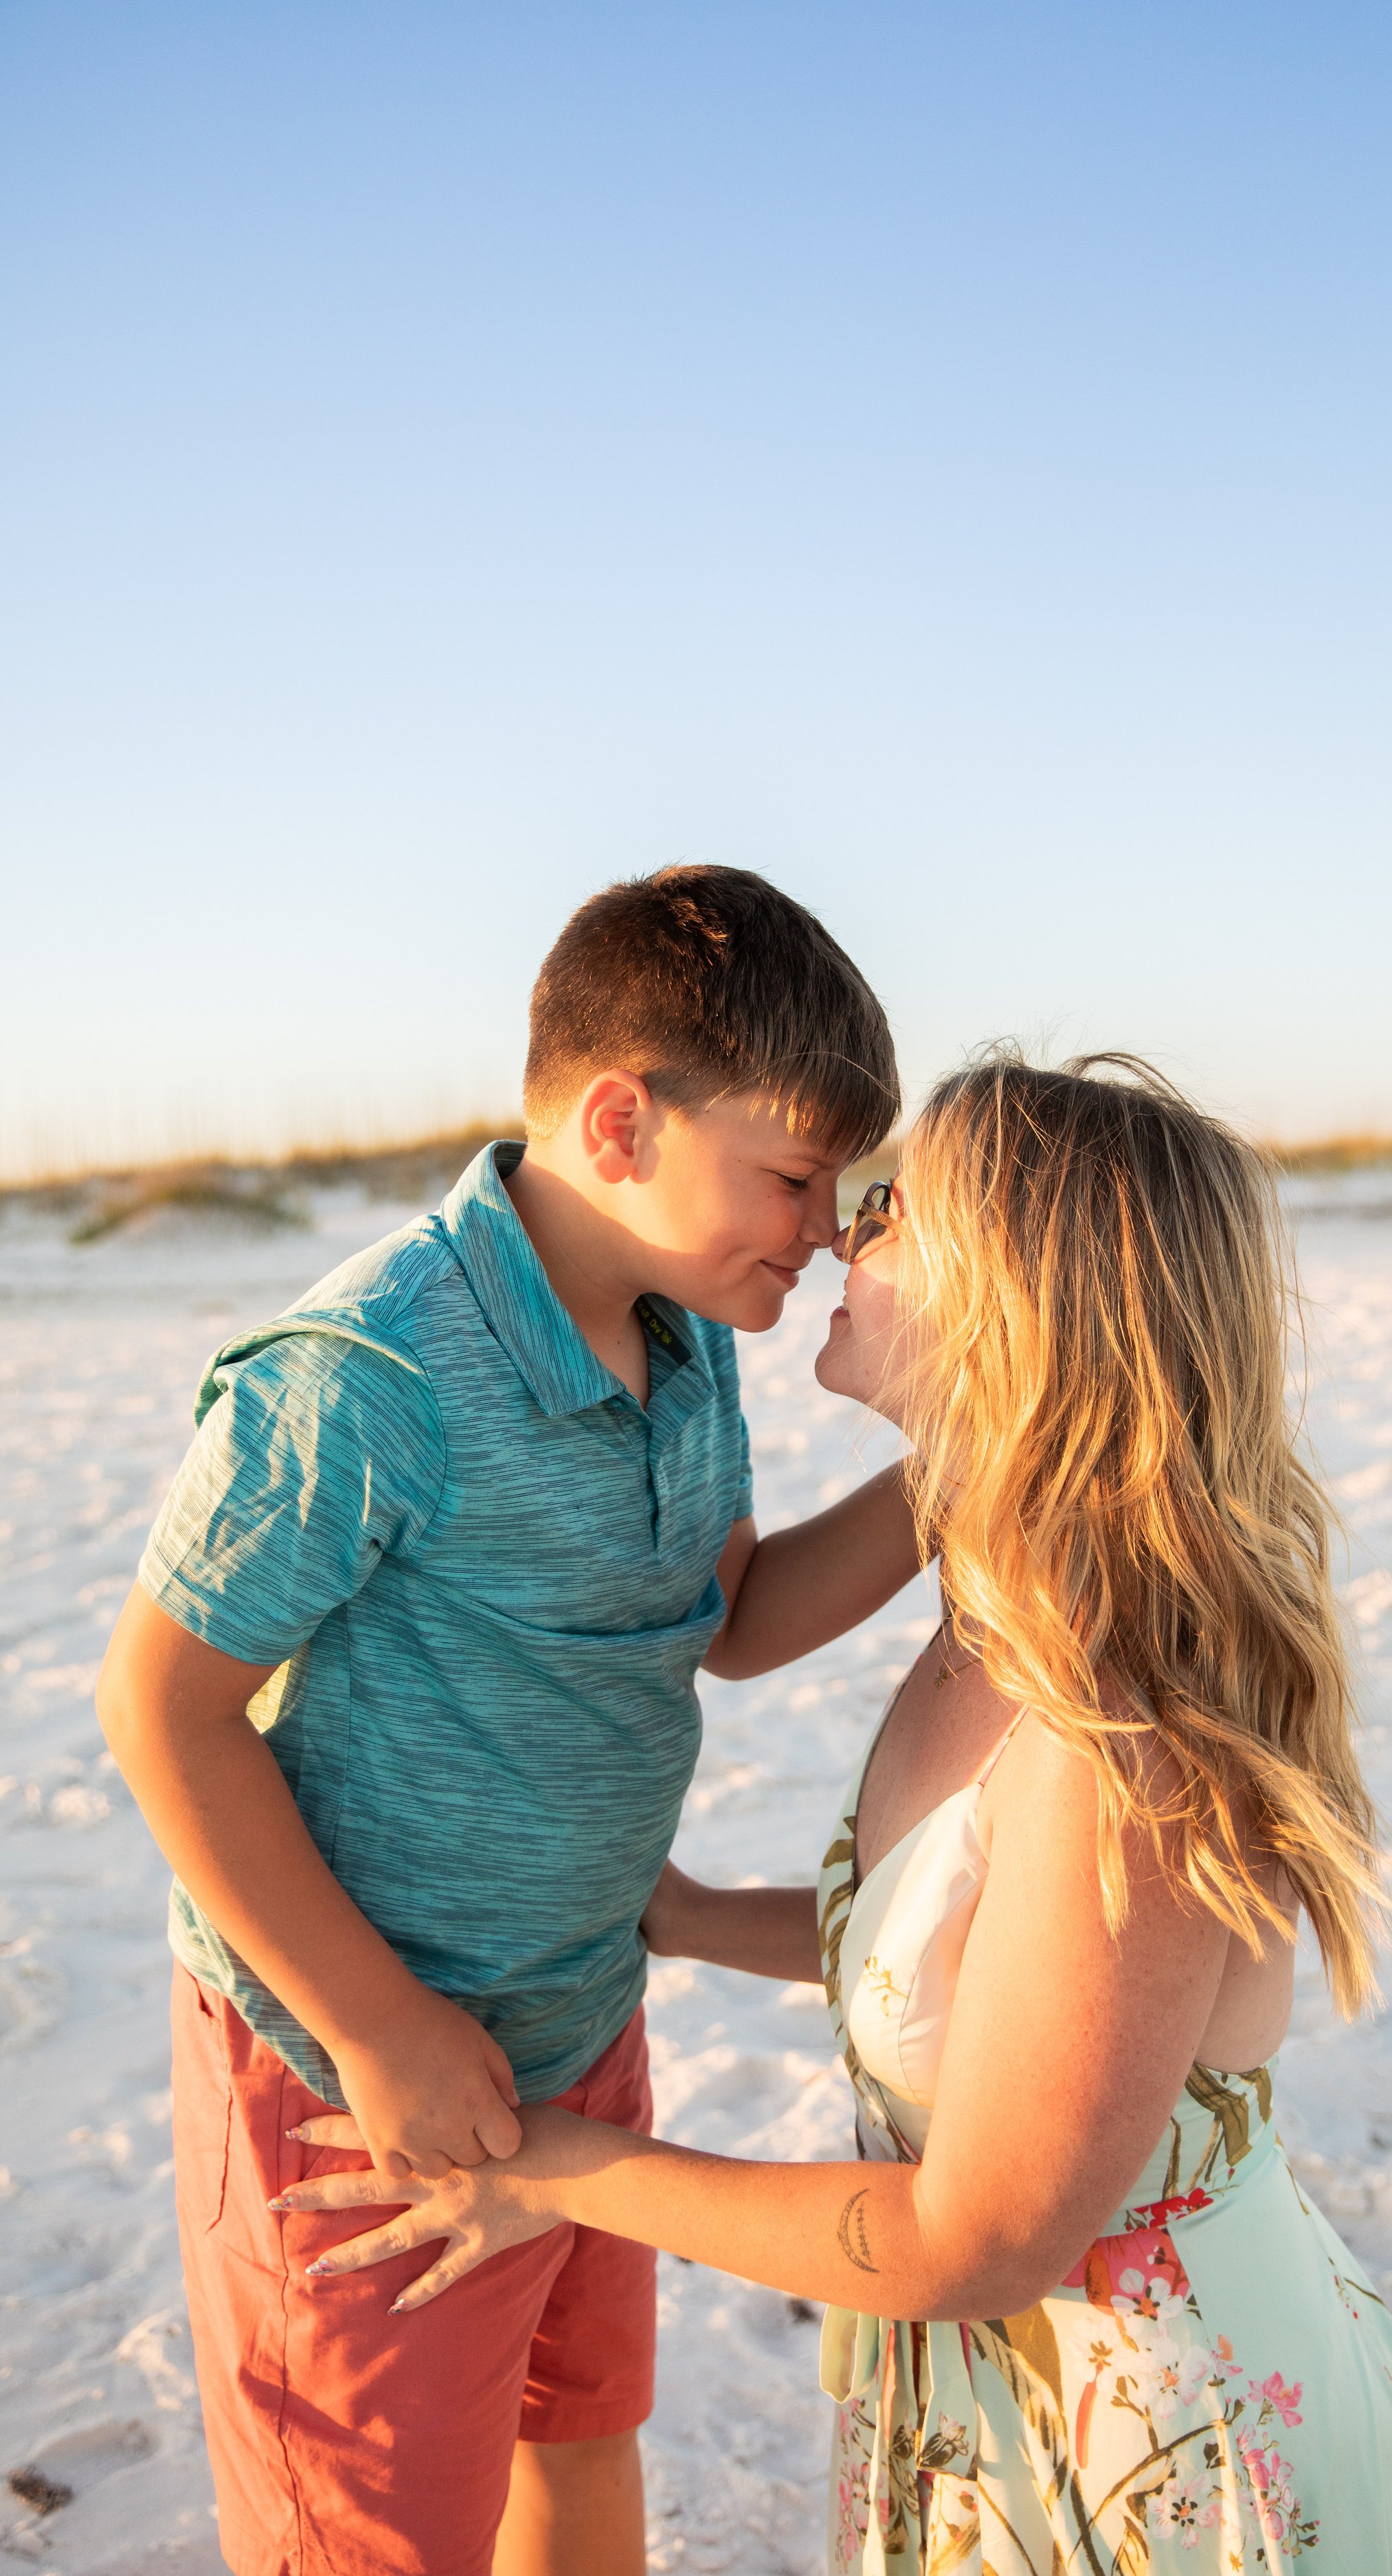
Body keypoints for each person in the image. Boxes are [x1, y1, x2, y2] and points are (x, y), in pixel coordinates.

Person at [271, 1050, 1392, 2576]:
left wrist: (548, 2168)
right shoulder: (999, 1600)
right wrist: (676, 1916)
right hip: (1010, 2407)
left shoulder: (1109, 1727)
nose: (831, 1240)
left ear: (1011, 1293)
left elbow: (976, 2238)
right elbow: (985, 1979)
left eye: (887, 1210)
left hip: (1155, 2457)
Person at [94, 866, 918, 2576]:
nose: (829, 1224)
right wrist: (377, 2021)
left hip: (581, 2017)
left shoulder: (690, 1342)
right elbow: (162, 1710)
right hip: (352, 2072)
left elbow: (729, 1624)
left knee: (577, 2429)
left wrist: (963, 1484)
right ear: (620, 1122)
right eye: (790, 1175)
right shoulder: (370, 1373)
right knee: (379, 2532)